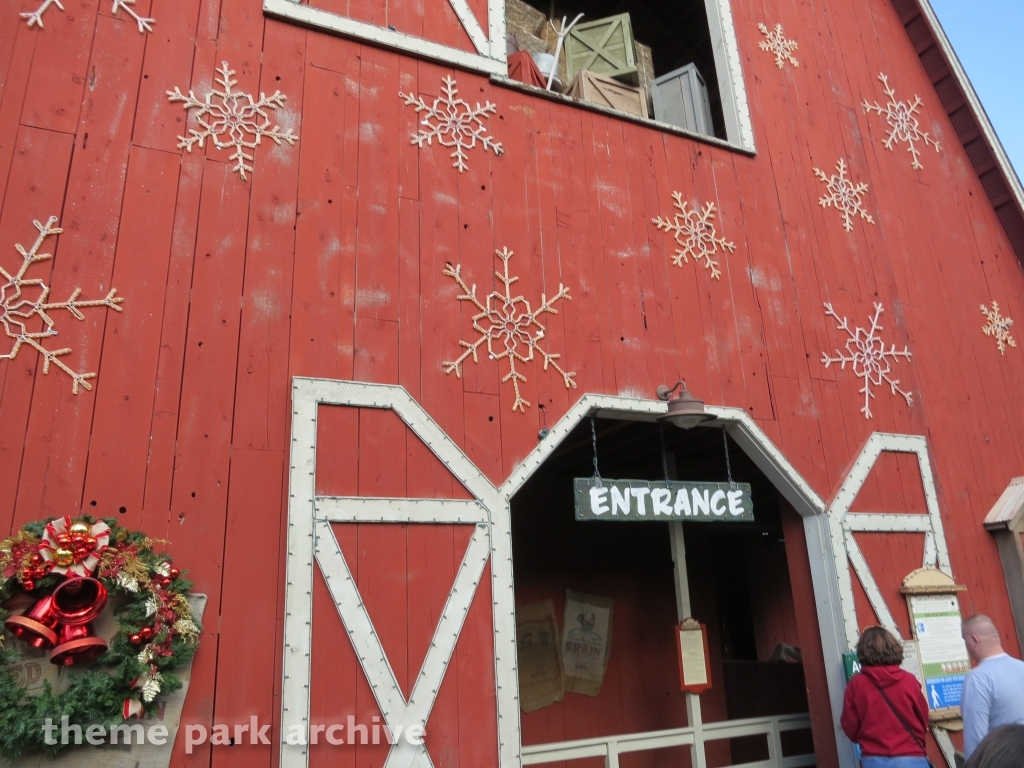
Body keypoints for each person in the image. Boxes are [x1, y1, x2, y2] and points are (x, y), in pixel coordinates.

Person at [841, 626, 931, 767]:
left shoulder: (856, 684)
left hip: (874, 759)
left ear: (862, 651)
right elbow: (923, 717)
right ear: (893, 648)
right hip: (911, 757)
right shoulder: (909, 681)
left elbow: (850, 726)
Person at [960, 615, 1024, 759]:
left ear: (974, 640)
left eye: (965, 641)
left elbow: (976, 739)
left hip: (1003, 760)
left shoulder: (977, 679)